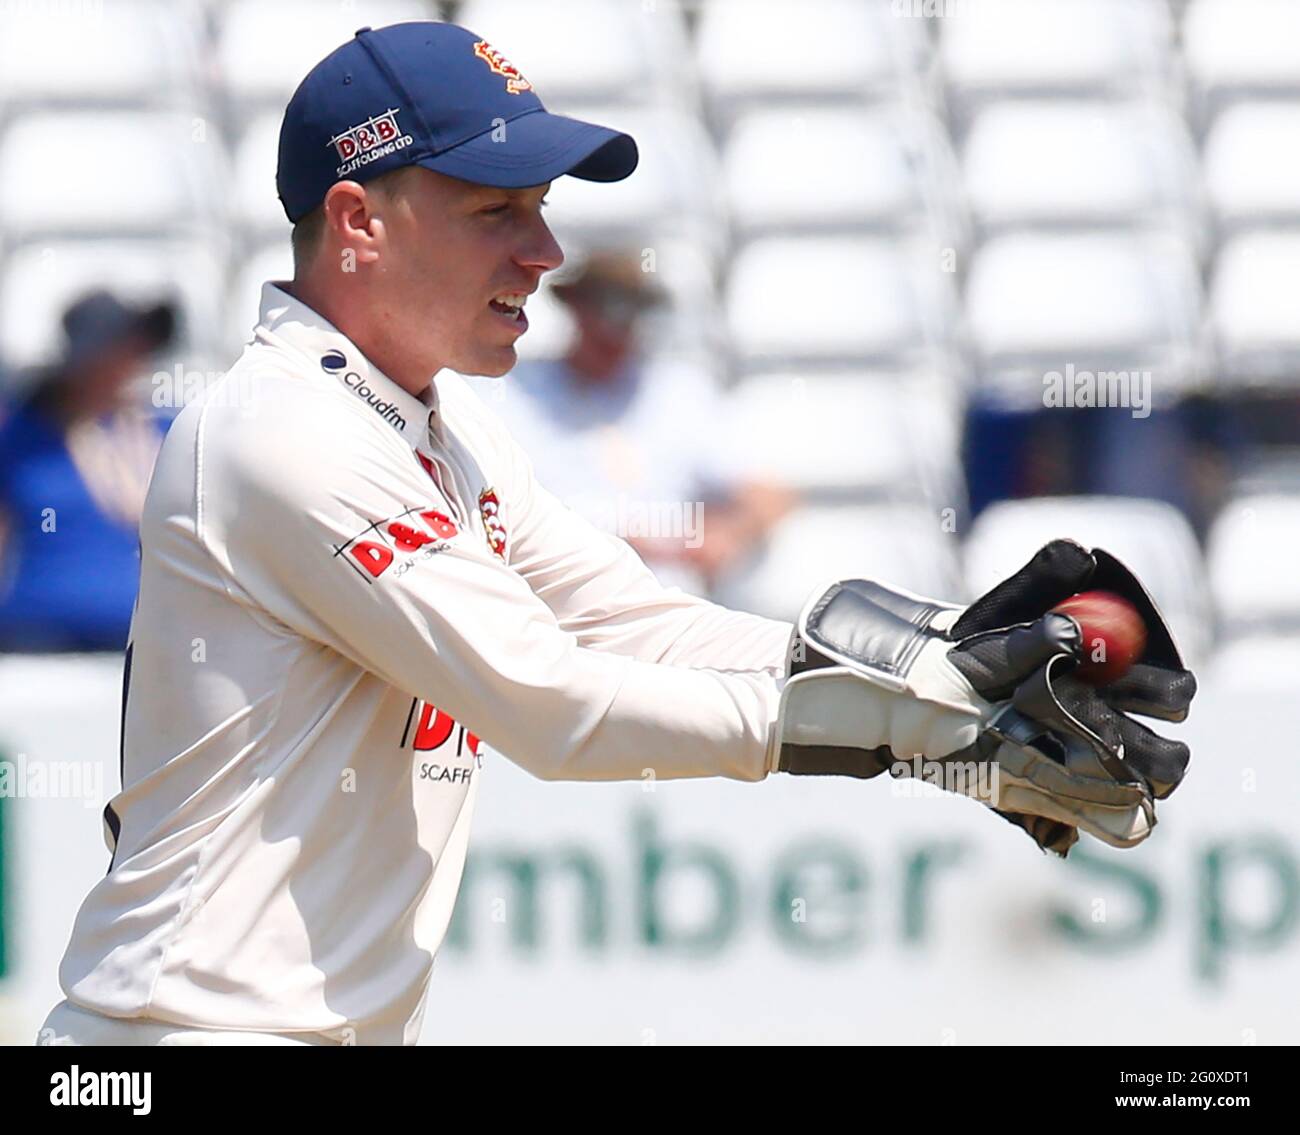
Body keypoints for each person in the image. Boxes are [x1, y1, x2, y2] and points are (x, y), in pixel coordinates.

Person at [39, 22, 1195, 1047]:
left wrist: (944, 656)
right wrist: (908, 731)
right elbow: (554, 703)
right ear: (358, 222)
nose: (541, 254)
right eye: (497, 211)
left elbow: (634, 626)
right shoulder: (281, 427)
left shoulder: (444, 429)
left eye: (540, 210)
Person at [469, 248, 796, 593]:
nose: (616, 330)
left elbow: (771, 494)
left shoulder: (677, 392)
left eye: (630, 313)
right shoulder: (514, 391)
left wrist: (728, 532)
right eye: (606, 310)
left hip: (665, 602)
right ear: (576, 310)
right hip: (551, 593)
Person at [0, 290, 175, 652]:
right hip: (35, 637)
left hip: (141, 642)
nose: (123, 362)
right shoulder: (25, 436)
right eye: (112, 351)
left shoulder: (163, 431)